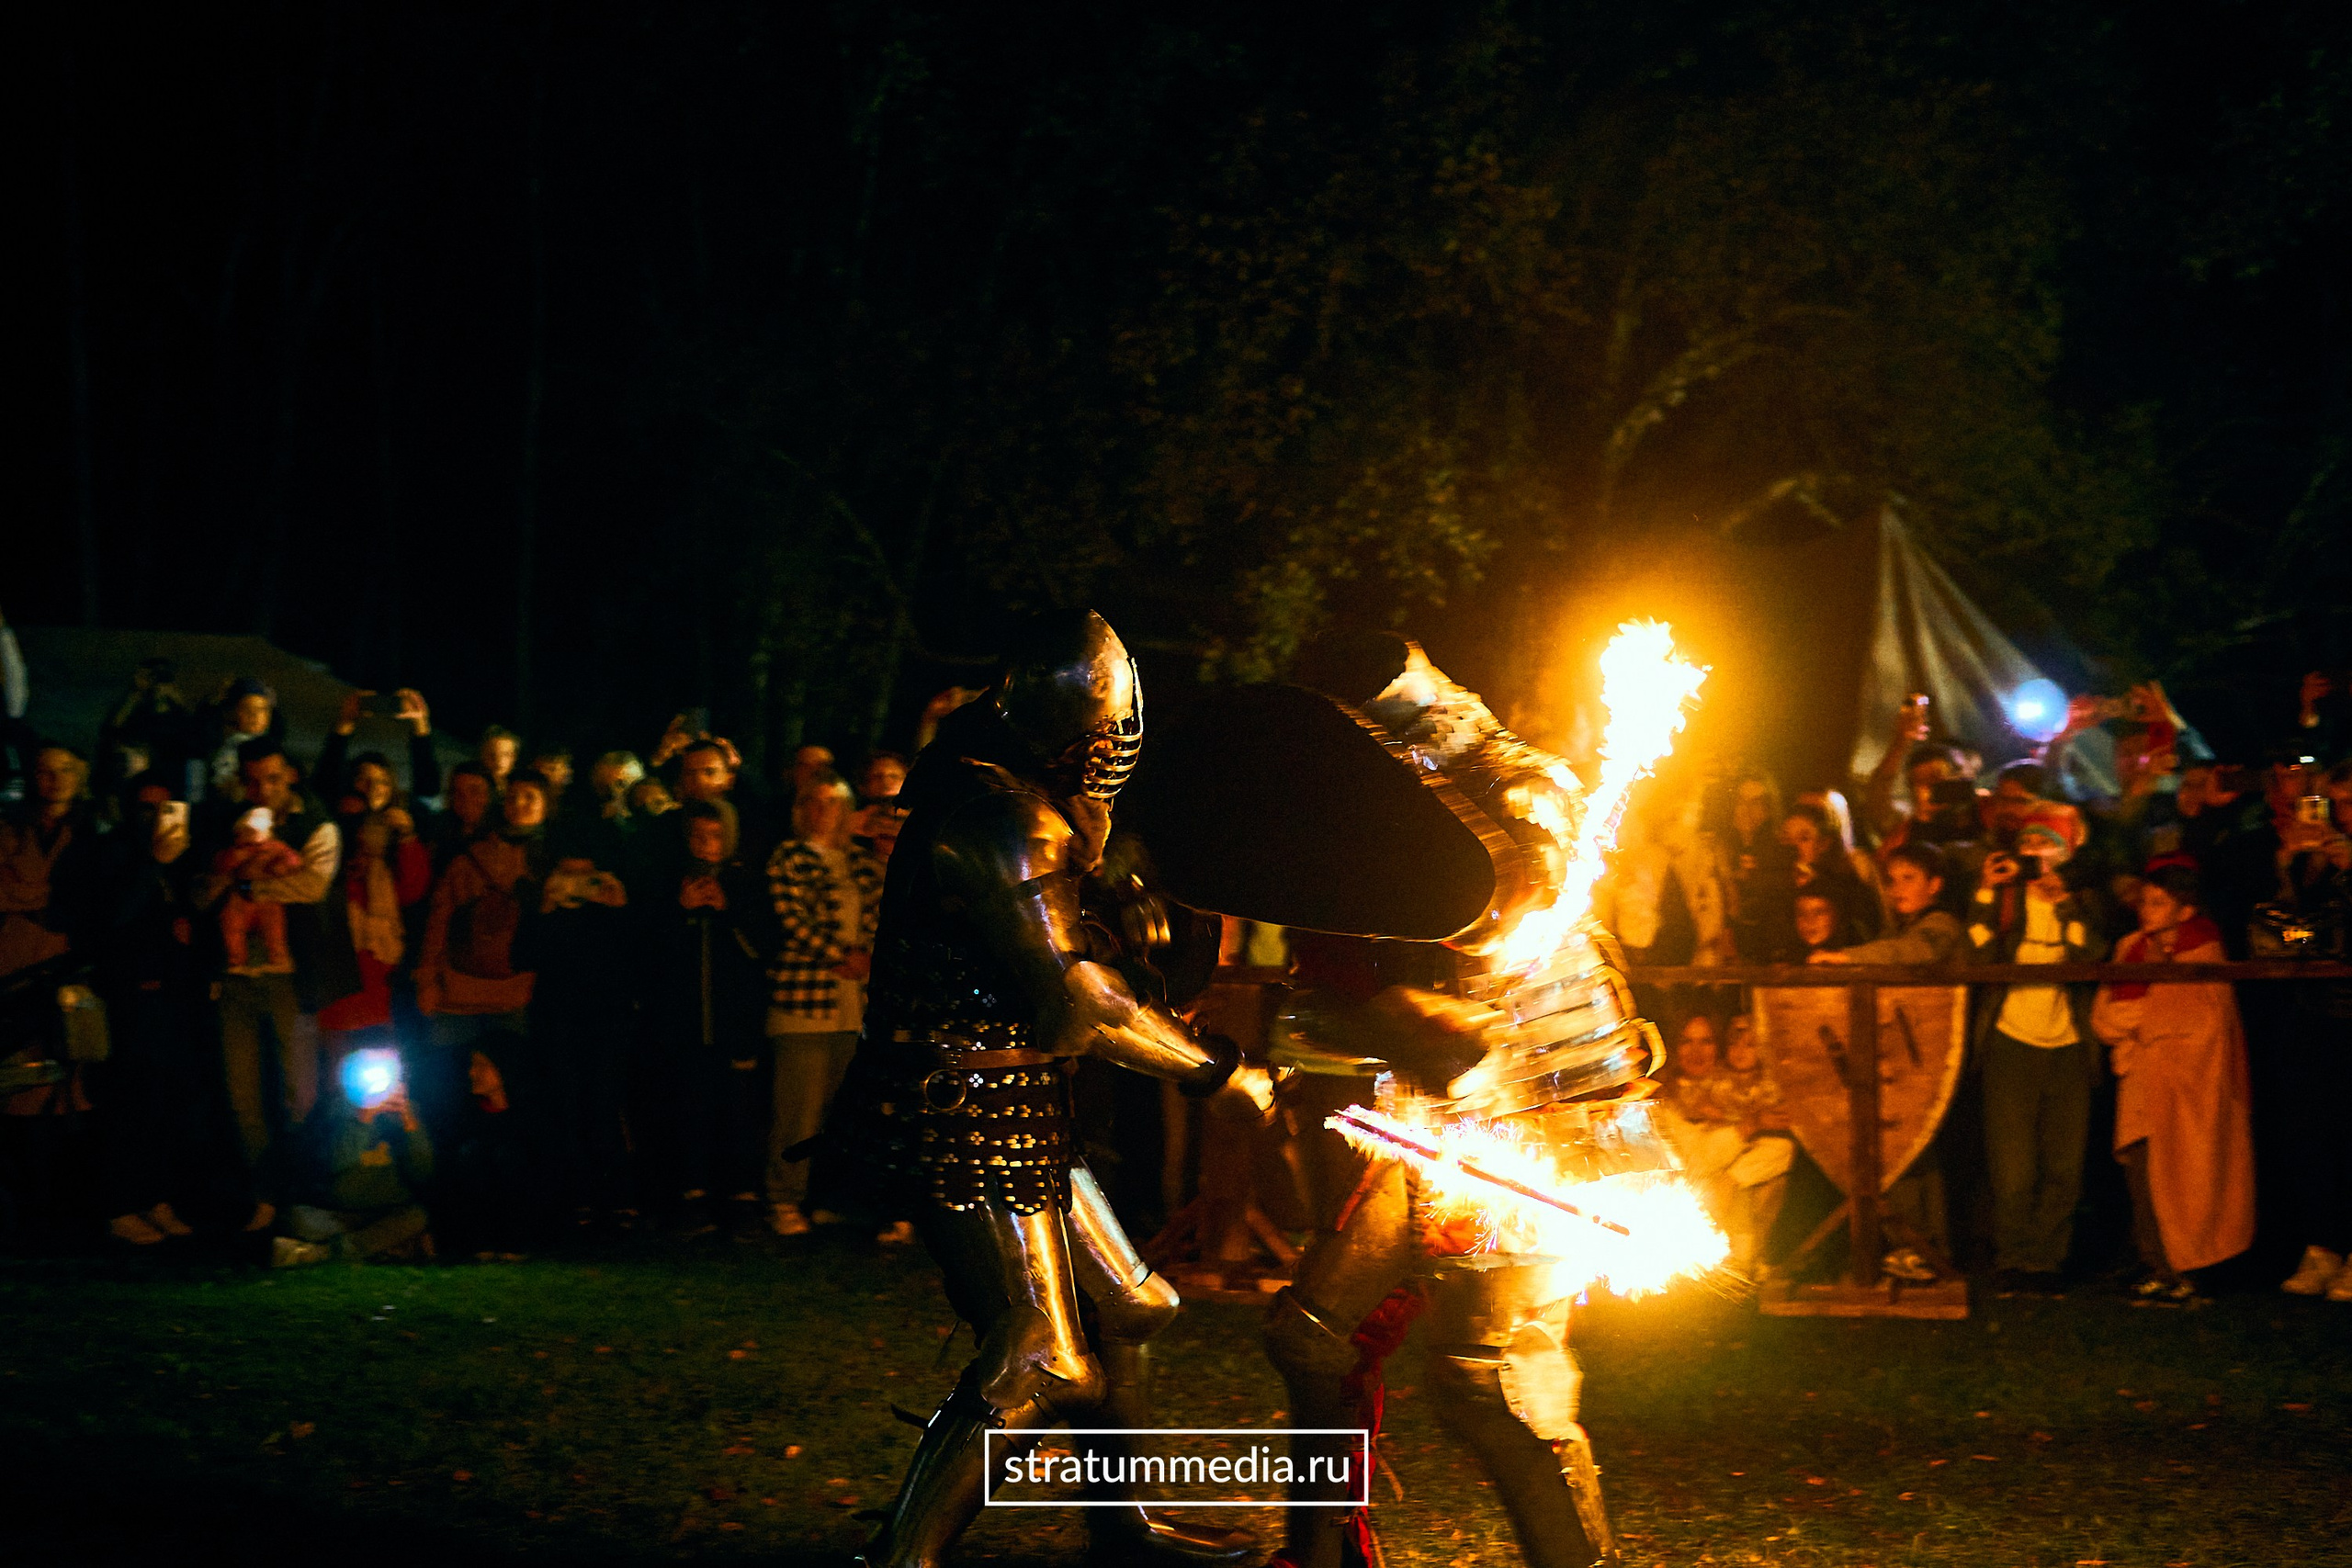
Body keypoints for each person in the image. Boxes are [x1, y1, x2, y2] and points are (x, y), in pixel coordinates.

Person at [842, 610, 1260, 1568]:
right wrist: (1217, 1071)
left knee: (1135, 1307)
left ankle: (1125, 1529)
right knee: (1044, 1356)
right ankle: (902, 1559)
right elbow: (1077, 1000)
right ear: (1086, 734)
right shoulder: (1005, 819)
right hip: (964, 1110)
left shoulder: (1013, 795)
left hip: (1015, 1104)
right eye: (1112, 732)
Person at [198, 741, 357, 1223]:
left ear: (290, 775)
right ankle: (266, 1198)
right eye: (252, 781)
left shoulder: (316, 825)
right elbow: (202, 888)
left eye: (271, 778)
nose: (262, 789)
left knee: (299, 1094)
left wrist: (249, 885)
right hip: (235, 978)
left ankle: (302, 1194)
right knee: (242, 1096)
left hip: (291, 978)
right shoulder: (228, 824)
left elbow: (312, 885)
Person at [2089, 863, 2255, 1304]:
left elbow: (2198, 1019)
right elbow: (2105, 1016)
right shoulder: (2130, 947)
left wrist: (2144, 1021)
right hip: (2142, 1080)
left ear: (2185, 909)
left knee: (2186, 1176)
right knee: (2143, 1175)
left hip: (2189, 1087)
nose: (2147, 910)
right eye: (2144, 901)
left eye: (2159, 902)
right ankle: (2158, 1265)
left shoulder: (2203, 950)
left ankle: (2191, 1269)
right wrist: (2143, 1021)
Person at [1810, 841, 1966, 1280]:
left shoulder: (1940, 925)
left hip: (1933, 1060)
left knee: (1913, 1149)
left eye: (1909, 879)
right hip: (1912, 1058)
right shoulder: (1904, 927)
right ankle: (1916, 1249)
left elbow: (1915, 952)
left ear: (1935, 885)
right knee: (1909, 1150)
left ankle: (1923, 1248)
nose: (1898, 889)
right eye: (1892, 880)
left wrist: (1846, 959)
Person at [1967, 821, 2108, 1293]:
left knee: (2064, 1164)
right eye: (2025, 843)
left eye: (2045, 843)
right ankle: (2013, 1256)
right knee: (2013, 1166)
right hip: (2010, 1039)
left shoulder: (2083, 901)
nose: (2033, 851)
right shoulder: (2006, 901)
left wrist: (2064, 902)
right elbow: (1977, 954)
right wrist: (1985, 892)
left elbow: (2093, 952)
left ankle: (2048, 1259)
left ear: (2064, 853)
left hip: (2068, 1044)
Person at [763, 771, 883, 1237]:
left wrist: (867, 956)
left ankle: (827, 1197)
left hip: (853, 1004)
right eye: (813, 801)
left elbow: (877, 912)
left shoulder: (860, 863)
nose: (823, 810)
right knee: (798, 1111)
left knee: (841, 1110)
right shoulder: (789, 857)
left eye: (832, 801)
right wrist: (840, 955)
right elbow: (792, 918)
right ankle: (784, 1197)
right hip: (804, 1003)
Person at [646, 801, 773, 1235]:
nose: (706, 844)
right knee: (690, 1110)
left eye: (715, 835)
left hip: (736, 1021)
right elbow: (652, 953)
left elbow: (762, 947)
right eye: (698, 835)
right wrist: (680, 909)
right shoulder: (670, 882)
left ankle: (742, 1197)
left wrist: (727, 910)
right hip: (685, 1025)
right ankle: (693, 1195)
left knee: (739, 1111)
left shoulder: (748, 883)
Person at [414, 772, 551, 1164]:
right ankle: (460, 1168)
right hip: (464, 993)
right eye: (512, 796)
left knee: (509, 1089)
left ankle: (504, 1170)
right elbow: (439, 922)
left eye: (529, 796)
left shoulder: (553, 858)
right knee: (454, 1087)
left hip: (515, 992)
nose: (518, 804)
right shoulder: (470, 858)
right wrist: (427, 980)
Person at [533, 836, 637, 1228]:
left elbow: (636, 957)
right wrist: (546, 910)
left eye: (585, 875)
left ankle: (617, 1196)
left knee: (604, 1107)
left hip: (607, 1023)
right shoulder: (549, 910)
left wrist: (620, 909)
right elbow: (525, 956)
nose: (577, 883)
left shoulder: (608, 906)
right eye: (568, 874)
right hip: (560, 1023)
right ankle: (579, 1198)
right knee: (568, 1108)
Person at [1657, 1012, 1792, 1276]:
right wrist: (1748, 1127)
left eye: (1706, 1041)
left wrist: (1732, 1178)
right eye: (1687, 1041)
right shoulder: (1665, 1099)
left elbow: (1781, 1151)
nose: (1696, 1052)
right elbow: (1698, 1161)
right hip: (1689, 1225)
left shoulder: (1737, 1091)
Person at [313, 687, 441, 812]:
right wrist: (345, 722)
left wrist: (420, 722)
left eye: (383, 782)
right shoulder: (333, 815)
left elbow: (427, 790)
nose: (373, 787)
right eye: (363, 779)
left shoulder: (404, 820)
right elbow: (326, 780)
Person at [211, 808, 304, 974]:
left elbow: (294, 860)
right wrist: (235, 858)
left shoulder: (276, 847)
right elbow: (219, 866)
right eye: (242, 833)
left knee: (274, 928)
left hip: (267, 894)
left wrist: (282, 867)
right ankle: (236, 961)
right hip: (242, 891)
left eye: (250, 832)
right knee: (233, 925)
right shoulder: (236, 850)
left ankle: (279, 959)